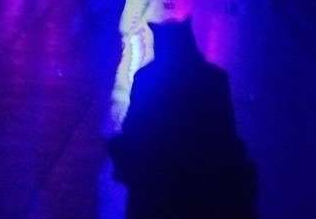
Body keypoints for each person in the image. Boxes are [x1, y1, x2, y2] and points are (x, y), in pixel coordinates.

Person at [108, 19, 256, 218]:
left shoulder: (146, 79)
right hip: (204, 184)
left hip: (155, 184)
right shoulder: (215, 78)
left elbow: (133, 127)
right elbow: (226, 132)